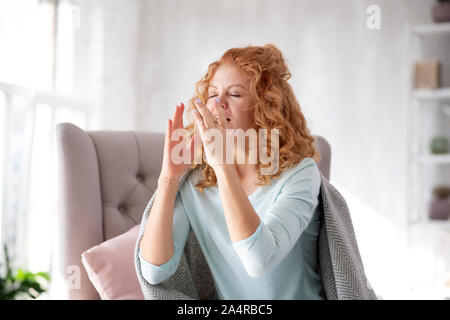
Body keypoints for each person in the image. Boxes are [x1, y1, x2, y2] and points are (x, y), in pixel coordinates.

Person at [138, 44, 325, 300]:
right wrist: (168, 178)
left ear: (265, 106)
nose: (218, 104)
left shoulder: (299, 174)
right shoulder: (197, 181)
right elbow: (154, 271)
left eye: (235, 95)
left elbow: (259, 261)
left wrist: (222, 164)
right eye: (213, 94)